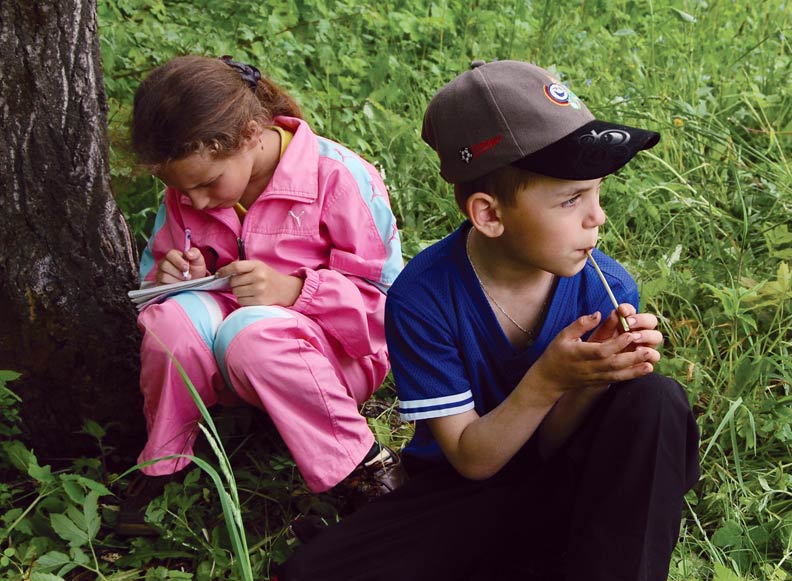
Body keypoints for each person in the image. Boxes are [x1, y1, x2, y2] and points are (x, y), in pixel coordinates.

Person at [281, 60, 700, 581]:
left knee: (655, 399)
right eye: (572, 199)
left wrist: (595, 379)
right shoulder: (423, 297)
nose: (598, 217)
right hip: (469, 488)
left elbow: (553, 446)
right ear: (490, 214)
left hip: (572, 478)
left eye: (597, 192)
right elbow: (472, 460)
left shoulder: (605, 286)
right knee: (313, 573)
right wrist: (548, 378)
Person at [116, 55, 406, 536]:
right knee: (172, 324)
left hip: (336, 360)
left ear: (250, 134)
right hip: (232, 359)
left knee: (253, 337)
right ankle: (169, 460)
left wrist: (296, 291)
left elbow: (388, 307)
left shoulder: (337, 179)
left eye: (208, 184)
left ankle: (363, 466)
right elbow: (153, 291)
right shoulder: (189, 192)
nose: (199, 203)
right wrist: (173, 279)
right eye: (184, 192)